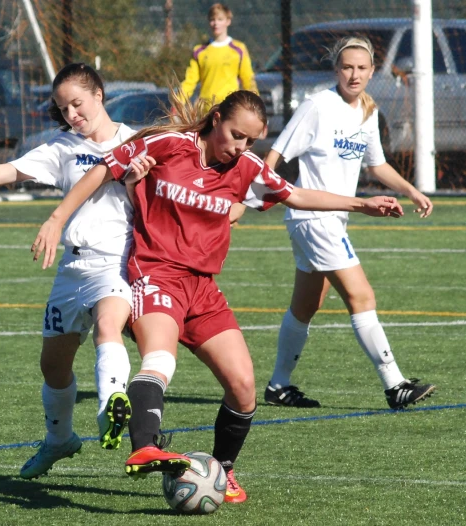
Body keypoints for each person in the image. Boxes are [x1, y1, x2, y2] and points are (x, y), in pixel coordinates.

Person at [31, 89, 404, 503]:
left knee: (243, 386)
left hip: (204, 289)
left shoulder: (246, 168)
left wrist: (362, 204)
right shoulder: (168, 145)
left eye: (250, 140)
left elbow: (295, 195)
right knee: (160, 358)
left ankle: (223, 471)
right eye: (235, 135)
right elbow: (103, 169)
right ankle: (144, 445)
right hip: (156, 274)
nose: (240, 147)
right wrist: (56, 217)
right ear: (215, 119)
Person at [0, 63, 137, 478]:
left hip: (116, 261)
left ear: (99, 94)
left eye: (77, 104)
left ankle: (109, 406)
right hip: (72, 267)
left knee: (107, 328)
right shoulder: (62, 146)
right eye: (63, 109)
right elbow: (4, 173)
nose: (72, 115)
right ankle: (60, 440)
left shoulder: (136, 141)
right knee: (53, 367)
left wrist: (137, 181)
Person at [250, 36, 436, 410]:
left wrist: (411, 190)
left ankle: (278, 386)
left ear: (371, 72)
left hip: (326, 221)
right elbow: (276, 153)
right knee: (362, 296)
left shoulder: (366, 110)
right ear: (336, 69)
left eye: (362, 68)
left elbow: (376, 165)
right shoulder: (318, 105)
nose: (354, 74)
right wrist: (251, 193)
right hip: (313, 217)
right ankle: (395, 384)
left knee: (306, 305)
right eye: (347, 67)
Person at [179, 3, 257, 106]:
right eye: (212, 20)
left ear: (228, 21)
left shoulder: (239, 49)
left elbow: (248, 79)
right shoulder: (199, 50)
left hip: (230, 108)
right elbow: (190, 81)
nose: (216, 23)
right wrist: (178, 103)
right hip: (206, 109)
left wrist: (256, 104)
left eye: (220, 19)